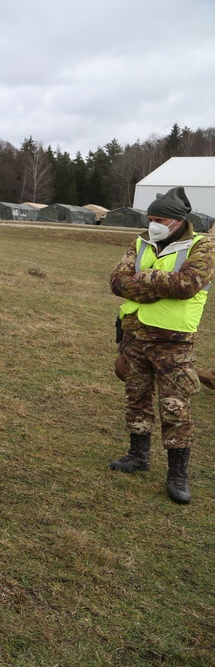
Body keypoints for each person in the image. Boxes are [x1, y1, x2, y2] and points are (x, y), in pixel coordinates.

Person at [109, 187, 215, 505]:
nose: (152, 224)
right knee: (136, 399)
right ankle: (138, 456)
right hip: (135, 337)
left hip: (173, 342)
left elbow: (188, 285)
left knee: (175, 408)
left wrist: (145, 279)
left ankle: (177, 476)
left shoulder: (202, 246)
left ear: (178, 221)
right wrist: (157, 282)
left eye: (159, 219)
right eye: (150, 218)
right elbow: (117, 281)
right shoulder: (141, 242)